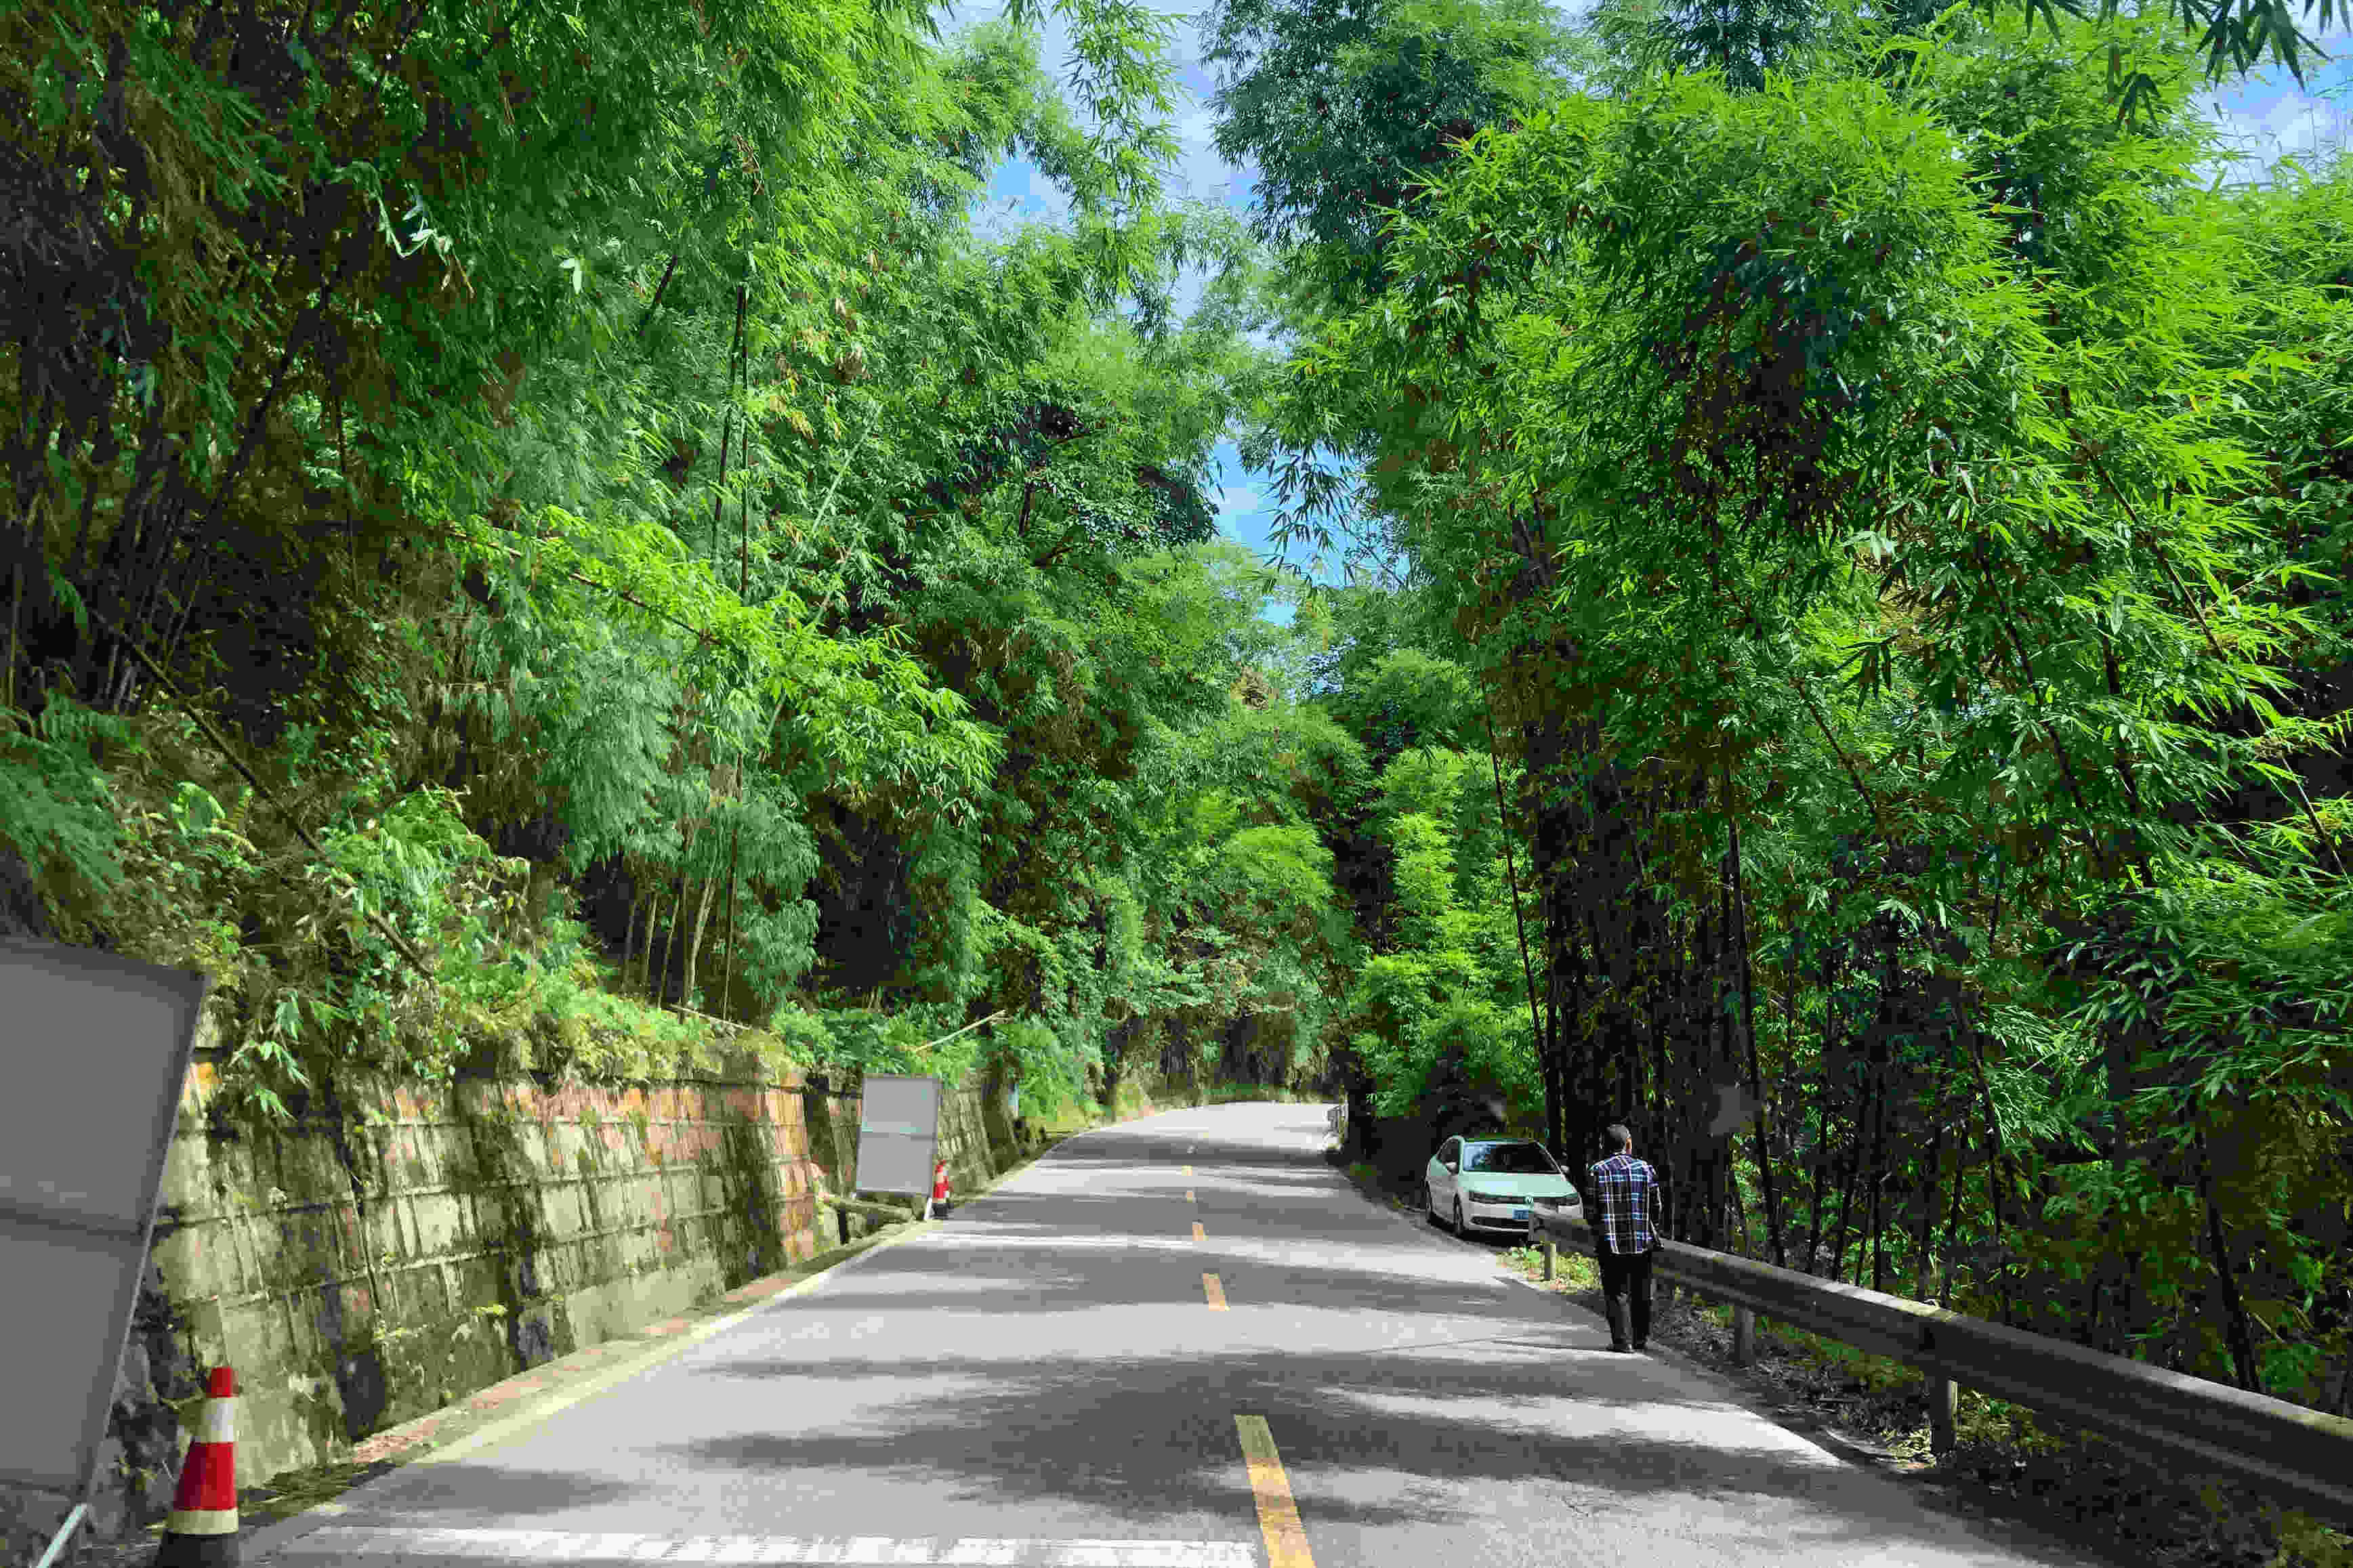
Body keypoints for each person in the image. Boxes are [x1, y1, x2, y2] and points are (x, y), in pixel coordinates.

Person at [1585, 1123, 1666, 1353]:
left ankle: (1622, 1342)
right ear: (1628, 1144)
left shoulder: (1597, 1171)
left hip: (1610, 1241)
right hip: (1642, 1241)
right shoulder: (1645, 1169)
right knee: (1642, 1290)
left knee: (1616, 1291)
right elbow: (1657, 1207)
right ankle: (1641, 1340)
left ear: (1604, 1146)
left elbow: (1591, 1211)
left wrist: (1599, 1230)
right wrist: (1649, 1226)